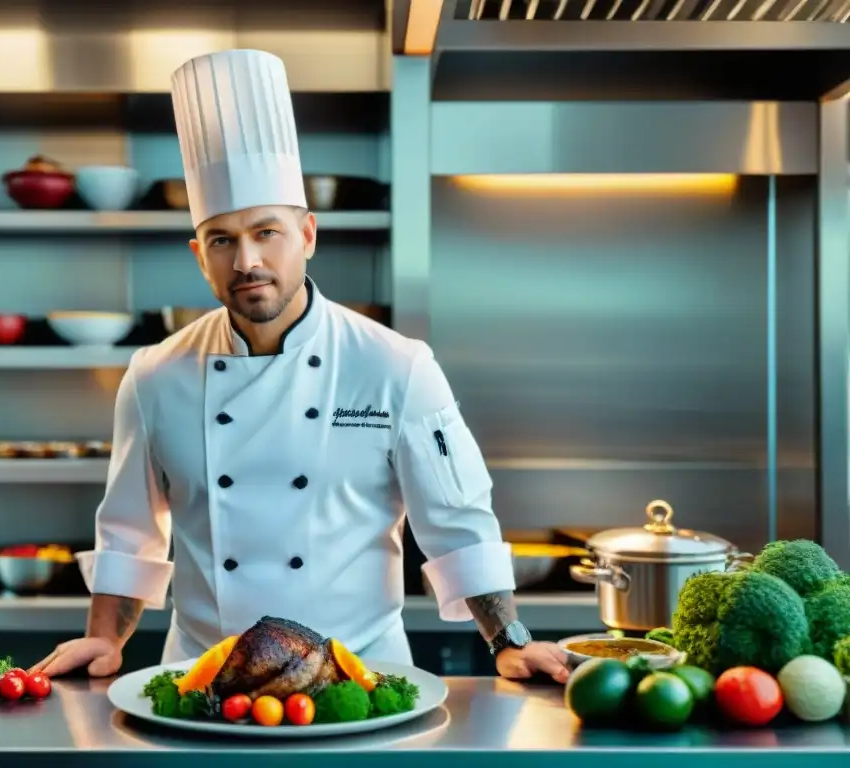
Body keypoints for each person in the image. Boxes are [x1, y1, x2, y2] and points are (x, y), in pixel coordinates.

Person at [30, 49, 569, 684]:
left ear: (308, 234)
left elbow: (458, 521)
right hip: (206, 682)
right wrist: (104, 638)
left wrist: (509, 638)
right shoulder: (154, 376)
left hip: (362, 681)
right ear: (198, 255)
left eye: (267, 233)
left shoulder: (395, 366)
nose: (247, 261)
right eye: (222, 241)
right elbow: (128, 531)